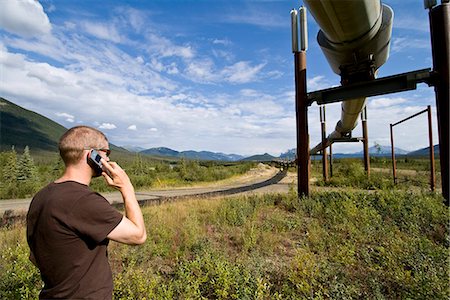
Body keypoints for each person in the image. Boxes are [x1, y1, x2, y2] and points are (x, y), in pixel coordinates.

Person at [26, 125, 146, 299]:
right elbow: (138, 235)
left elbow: (35, 258)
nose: (108, 158)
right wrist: (126, 187)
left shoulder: (41, 196)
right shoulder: (84, 200)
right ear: (92, 155)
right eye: (106, 152)